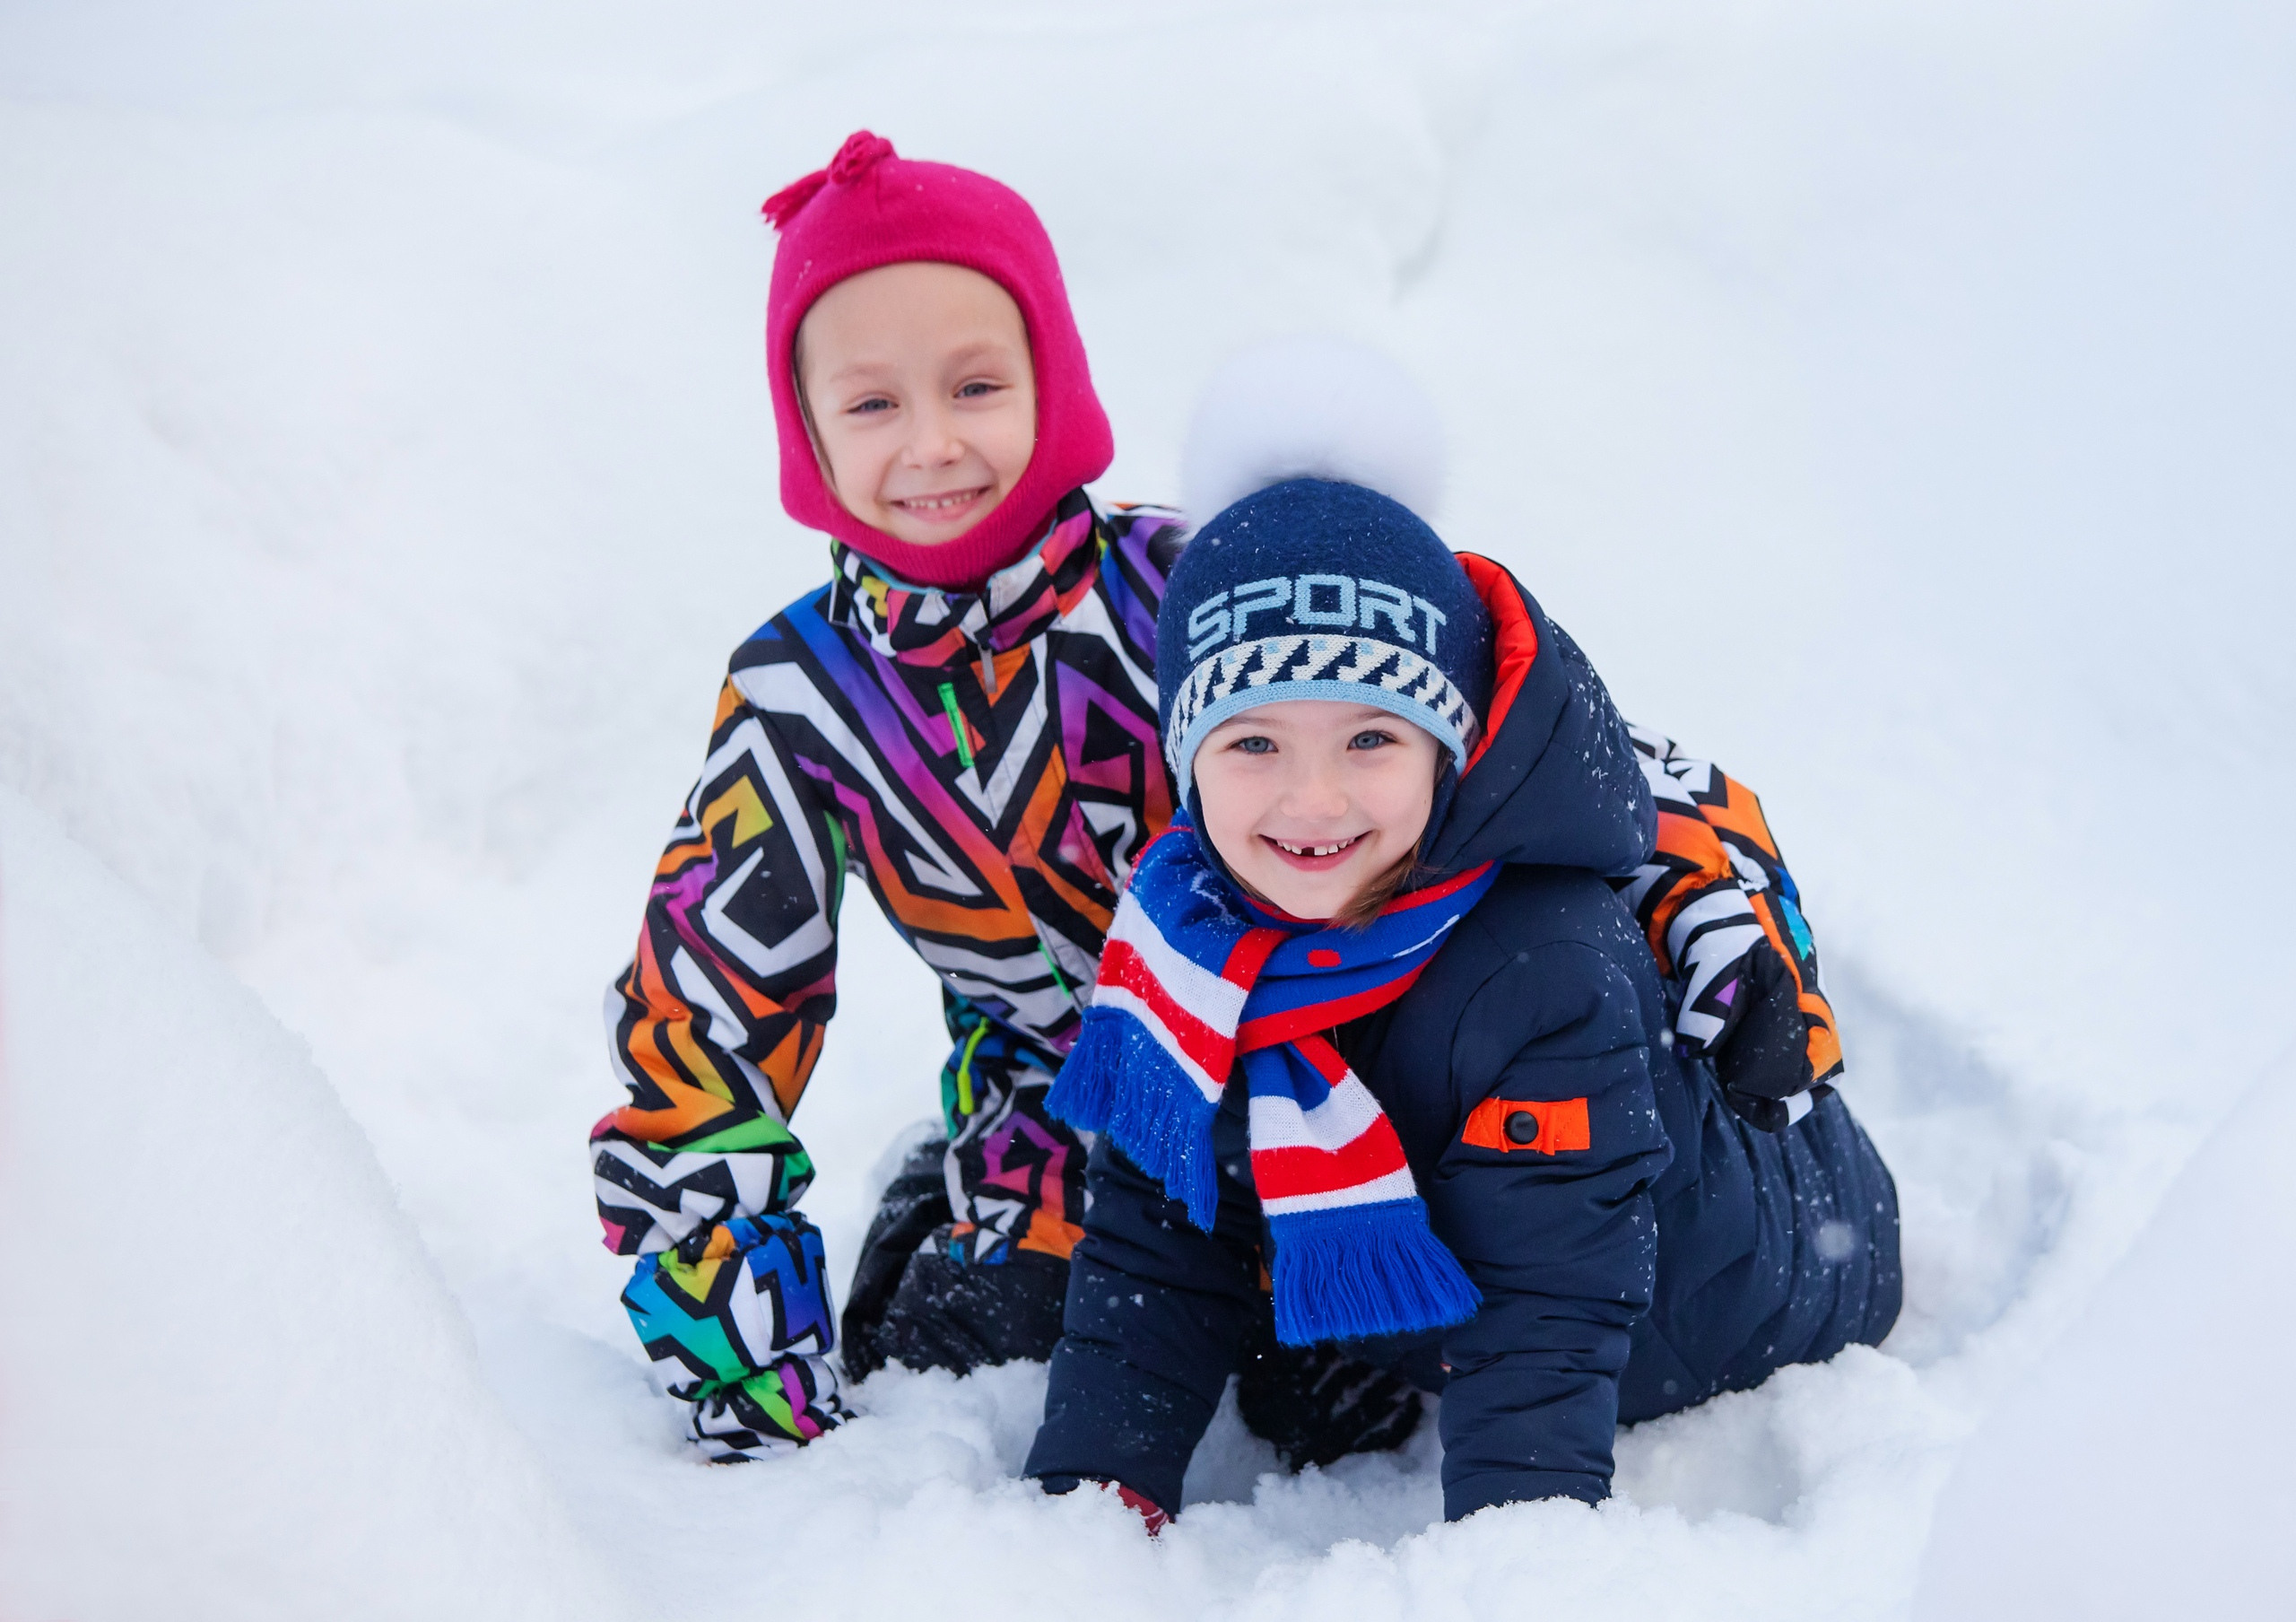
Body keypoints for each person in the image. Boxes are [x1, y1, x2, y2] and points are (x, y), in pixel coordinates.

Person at [1022, 468, 1902, 1524]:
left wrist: (1513, 1548)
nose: (1313, 797)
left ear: (1446, 753)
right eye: (1254, 741)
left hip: (1725, 1306)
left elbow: (1549, 1308)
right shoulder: (1181, 935)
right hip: (1499, 1269)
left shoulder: (1541, 967)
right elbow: (1156, 1236)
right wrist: (1093, 1498)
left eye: (1370, 738)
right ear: (1186, 758)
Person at [587, 129, 1186, 1459]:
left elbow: (1492, 736)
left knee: (1342, 1402)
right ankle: (945, 1210)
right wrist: (744, 1362)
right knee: (978, 1361)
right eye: (871, 405)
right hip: (1058, 1139)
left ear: (1053, 379)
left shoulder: (1184, 592)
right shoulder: (805, 698)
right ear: (807, 432)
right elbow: (704, 1016)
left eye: (975, 385)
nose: (932, 444)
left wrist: (1666, 908)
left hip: (1318, 1113)